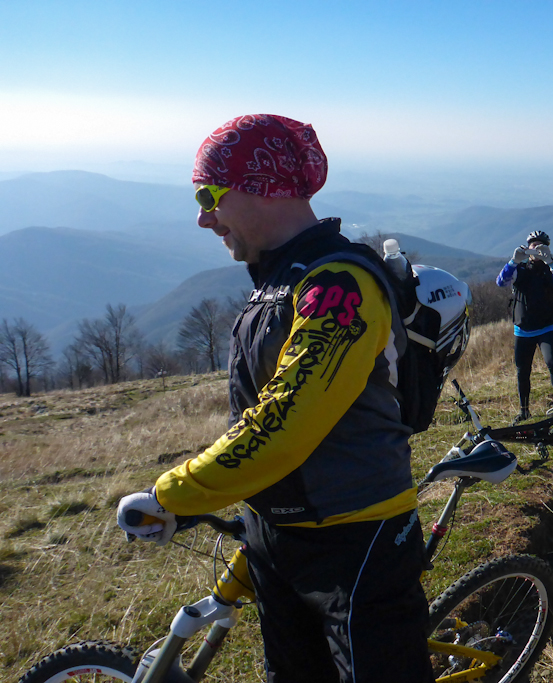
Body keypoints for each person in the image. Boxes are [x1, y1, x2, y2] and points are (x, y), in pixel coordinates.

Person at [116, 114, 434, 683]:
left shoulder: (338, 286)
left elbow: (283, 422)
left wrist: (175, 494)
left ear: (264, 188)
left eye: (209, 195)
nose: (202, 217)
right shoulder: (280, 277)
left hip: (357, 538)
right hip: (277, 533)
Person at [496, 230, 553, 422]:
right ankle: (524, 410)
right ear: (527, 247)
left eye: (541, 245)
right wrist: (513, 261)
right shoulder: (520, 269)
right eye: (533, 245)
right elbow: (501, 282)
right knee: (523, 371)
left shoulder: (551, 269)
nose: (537, 248)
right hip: (523, 330)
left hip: (546, 328)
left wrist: (550, 262)